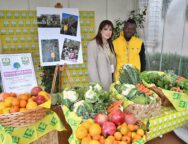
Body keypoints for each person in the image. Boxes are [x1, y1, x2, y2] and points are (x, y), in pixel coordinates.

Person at [87, 20, 116, 90]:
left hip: (109, 82)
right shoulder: (93, 44)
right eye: (105, 29)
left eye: (110, 30)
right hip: (99, 85)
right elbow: (92, 68)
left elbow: (112, 63)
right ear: (100, 30)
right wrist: (97, 86)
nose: (108, 32)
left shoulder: (110, 44)